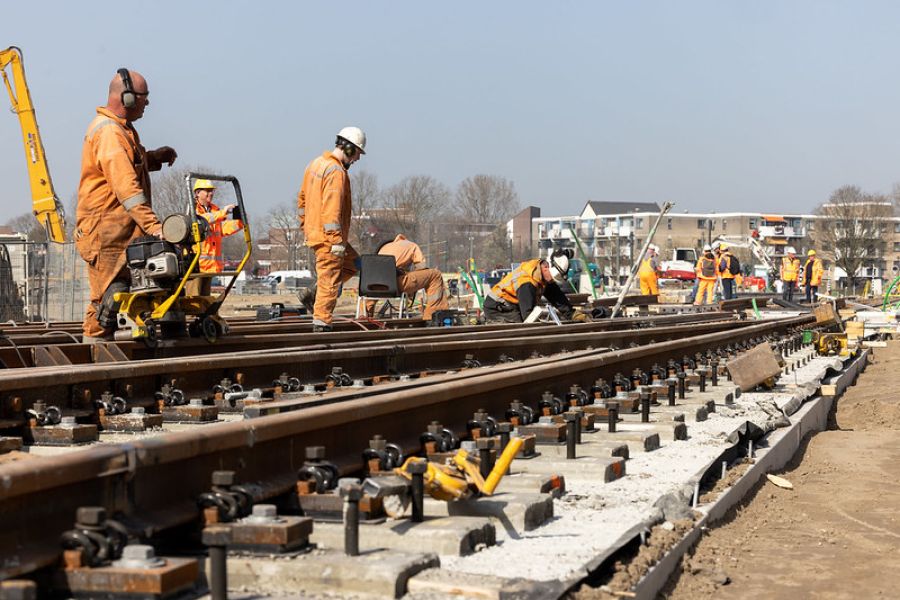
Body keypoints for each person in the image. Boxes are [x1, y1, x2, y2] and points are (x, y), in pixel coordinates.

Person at [75, 68, 177, 343]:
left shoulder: (123, 130)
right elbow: (126, 188)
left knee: (119, 295)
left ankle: (106, 361)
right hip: (106, 232)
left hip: (118, 231)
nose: (147, 103)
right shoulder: (109, 133)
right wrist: (155, 227)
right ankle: (96, 360)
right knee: (105, 301)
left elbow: (131, 164)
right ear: (128, 98)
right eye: (144, 97)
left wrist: (154, 158)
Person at [297, 126, 366, 332]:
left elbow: (302, 200)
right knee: (330, 278)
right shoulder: (336, 171)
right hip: (330, 238)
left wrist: (305, 226)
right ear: (348, 148)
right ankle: (322, 322)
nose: (357, 159)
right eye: (357, 154)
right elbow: (332, 208)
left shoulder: (315, 164)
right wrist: (335, 240)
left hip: (318, 233)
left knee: (355, 263)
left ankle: (315, 293)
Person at [364, 234, 449, 320]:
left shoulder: (384, 247)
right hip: (394, 283)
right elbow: (421, 267)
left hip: (371, 285)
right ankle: (433, 315)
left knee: (369, 297)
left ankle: (363, 317)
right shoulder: (411, 245)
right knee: (435, 275)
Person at [185, 179, 244, 296]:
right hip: (196, 265)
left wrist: (240, 222)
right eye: (207, 191)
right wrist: (223, 212)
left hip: (210, 265)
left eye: (211, 191)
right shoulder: (193, 209)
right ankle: (192, 315)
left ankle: (206, 315)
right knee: (193, 300)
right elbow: (203, 220)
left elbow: (222, 229)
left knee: (205, 299)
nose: (210, 193)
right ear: (197, 193)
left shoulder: (215, 210)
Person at [484, 251, 575, 323]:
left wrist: (572, 314)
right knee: (520, 327)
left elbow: (558, 298)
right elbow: (528, 315)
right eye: (552, 278)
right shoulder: (527, 283)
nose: (552, 281)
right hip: (497, 307)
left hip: (509, 305)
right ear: (546, 267)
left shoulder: (543, 276)